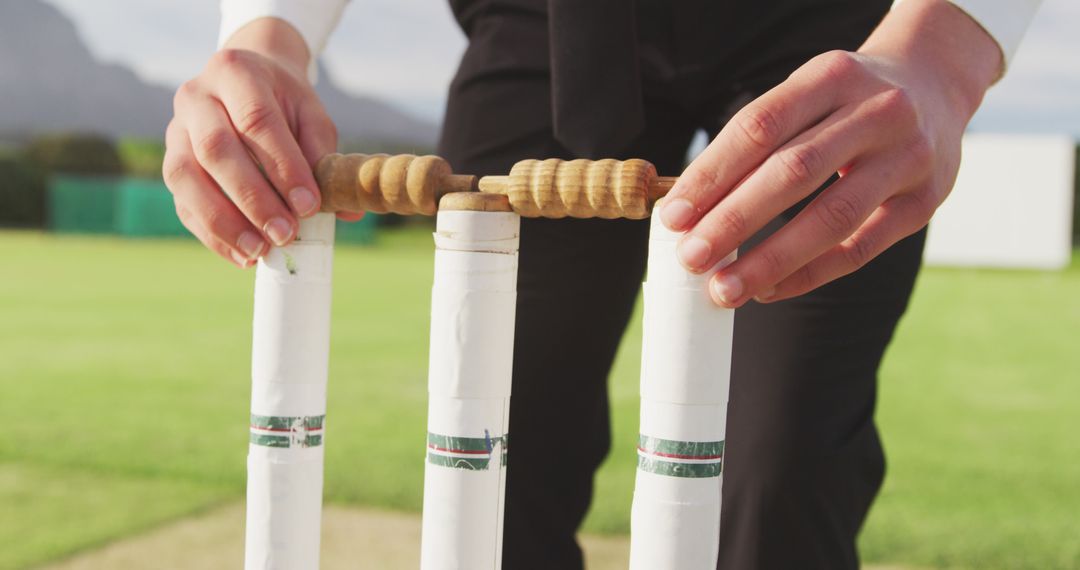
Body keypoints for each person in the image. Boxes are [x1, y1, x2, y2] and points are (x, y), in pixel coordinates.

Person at [162, 0, 1040, 567]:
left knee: (781, 479)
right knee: (495, 464)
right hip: (546, 26)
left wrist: (945, 48)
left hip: (839, 42)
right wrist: (266, 33)